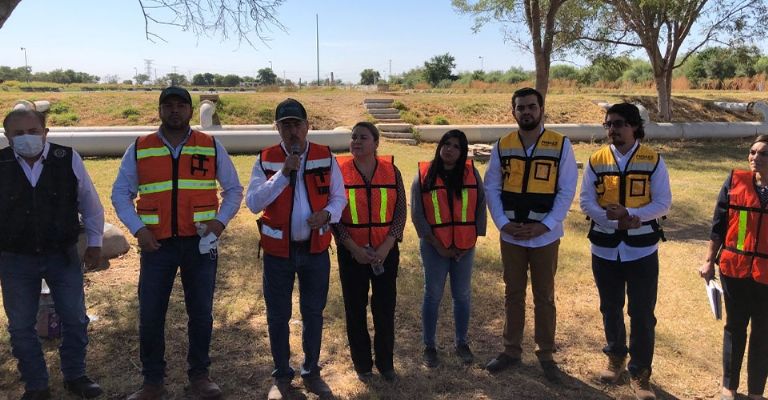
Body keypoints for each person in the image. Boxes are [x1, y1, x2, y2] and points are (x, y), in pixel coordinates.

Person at [111, 87, 243, 400]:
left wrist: (220, 223)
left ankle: (199, 376)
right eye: (168, 105)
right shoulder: (141, 147)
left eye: (181, 105)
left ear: (190, 110)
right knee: (151, 314)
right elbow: (120, 193)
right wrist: (139, 229)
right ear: (159, 110)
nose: (174, 111)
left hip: (199, 244)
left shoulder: (209, 145)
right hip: (157, 247)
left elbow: (234, 190)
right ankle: (152, 382)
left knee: (200, 313)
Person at [245, 98, 347, 400]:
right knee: (278, 316)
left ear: (307, 126)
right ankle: (281, 377)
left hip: (315, 250)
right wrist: (283, 173)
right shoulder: (266, 159)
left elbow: (339, 198)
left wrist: (327, 215)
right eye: (285, 125)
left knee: (313, 313)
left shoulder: (325, 156)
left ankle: (312, 373)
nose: (292, 131)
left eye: (296, 124)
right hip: (278, 253)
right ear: (277, 128)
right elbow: (253, 203)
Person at [0, 109, 104, 400]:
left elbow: (90, 204)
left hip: (62, 255)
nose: (27, 138)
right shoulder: (1, 163)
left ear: (46, 132)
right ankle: (36, 385)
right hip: (15, 258)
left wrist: (95, 244)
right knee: (21, 325)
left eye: (33, 131)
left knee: (74, 318)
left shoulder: (67, 158)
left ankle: (75, 375)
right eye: (18, 133)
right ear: (7, 136)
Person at [484, 87, 577, 383]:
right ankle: (511, 350)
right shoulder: (503, 145)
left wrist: (546, 225)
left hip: (545, 236)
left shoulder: (560, 145)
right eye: (520, 107)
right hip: (511, 234)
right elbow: (492, 187)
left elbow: (566, 190)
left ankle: (546, 354)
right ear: (513, 112)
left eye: (531, 107)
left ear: (541, 110)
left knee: (544, 296)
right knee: (513, 293)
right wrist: (502, 223)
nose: (526, 112)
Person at [579, 103, 671, 400]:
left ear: (634, 126)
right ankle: (615, 357)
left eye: (618, 124)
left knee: (642, 313)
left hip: (642, 250)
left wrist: (632, 213)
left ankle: (641, 373)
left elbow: (663, 203)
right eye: (608, 124)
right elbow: (586, 202)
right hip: (604, 248)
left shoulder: (653, 160)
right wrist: (613, 220)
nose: (612, 130)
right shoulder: (596, 160)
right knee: (610, 308)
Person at [332, 122, 406, 382]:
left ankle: (386, 364)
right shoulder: (338, 172)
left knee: (385, 309)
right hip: (352, 254)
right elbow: (334, 216)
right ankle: (362, 365)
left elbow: (400, 212)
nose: (356, 141)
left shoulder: (391, 171)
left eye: (363, 137)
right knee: (355, 309)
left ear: (376, 143)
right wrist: (352, 247)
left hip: (385, 253)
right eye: (353, 137)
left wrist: (386, 245)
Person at [699, 135, 768, 400]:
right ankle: (729, 386)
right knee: (734, 327)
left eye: (763, 154)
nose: (755, 158)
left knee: (763, 333)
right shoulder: (735, 181)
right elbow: (718, 225)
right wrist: (708, 260)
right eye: (752, 152)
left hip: (766, 275)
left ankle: (756, 392)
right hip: (734, 269)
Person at [411, 129, 486, 368]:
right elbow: (417, 214)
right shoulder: (423, 174)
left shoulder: (471, 173)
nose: (449, 149)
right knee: (432, 295)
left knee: (462, 296)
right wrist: (438, 245)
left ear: (462, 151)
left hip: (464, 247)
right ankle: (429, 345)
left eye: (455, 146)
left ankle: (461, 343)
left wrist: (470, 241)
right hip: (435, 247)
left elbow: (480, 207)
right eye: (446, 144)